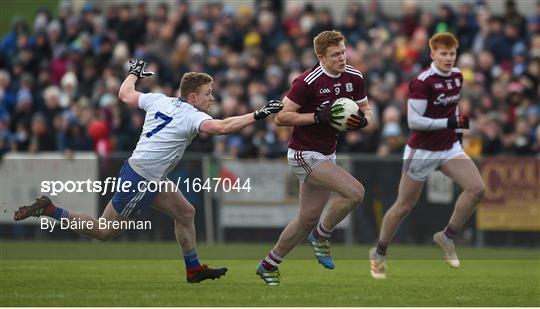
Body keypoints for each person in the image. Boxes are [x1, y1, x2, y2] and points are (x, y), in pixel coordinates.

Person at [14, 59, 283, 283]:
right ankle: (51, 210)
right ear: (192, 97)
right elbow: (223, 128)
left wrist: (133, 73)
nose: (212, 97)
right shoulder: (191, 115)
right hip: (141, 178)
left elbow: (125, 94)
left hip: (147, 174)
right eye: (207, 93)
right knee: (104, 230)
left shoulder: (159, 100)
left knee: (186, 212)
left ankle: (193, 269)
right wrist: (258, 114)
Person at [256, 30, 373, 286]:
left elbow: (365, 110)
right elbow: (281, 118)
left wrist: (362, 120)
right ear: (320, 56)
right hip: (303, 154)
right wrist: (317, 117)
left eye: (343, 51)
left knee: (305, 219)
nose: (342, 58)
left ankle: (269, 264)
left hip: (326, 154)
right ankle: (321, 237)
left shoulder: (354, 76)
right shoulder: (307, 82)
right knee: (355, 192)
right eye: (335, 55)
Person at [369, 32, 485, 279]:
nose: (448, 57)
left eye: (452, 53)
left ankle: (447, 236)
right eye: (443, 53)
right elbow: (414, 121)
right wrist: (449, 122)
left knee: (477, 188)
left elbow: (452, 109)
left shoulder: (457, 76)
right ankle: (378, 253)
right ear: (433, 54)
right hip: (421, 150)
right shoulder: (422, 81)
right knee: (404, 206)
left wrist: (458, 135)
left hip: (448, 147)